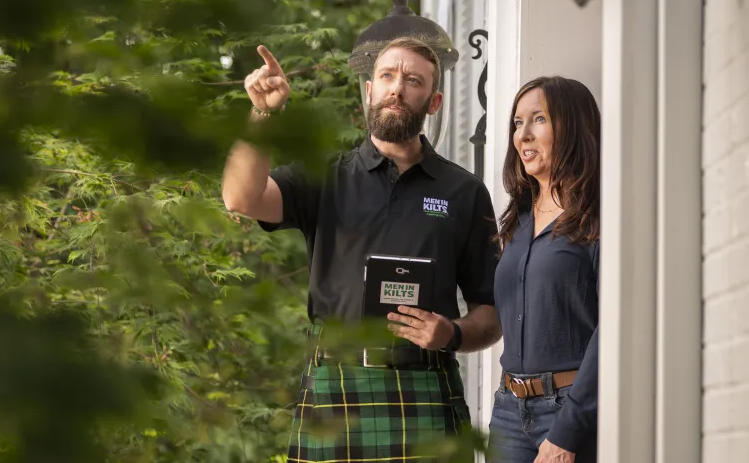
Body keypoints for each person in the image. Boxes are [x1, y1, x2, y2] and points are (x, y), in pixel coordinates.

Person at [221, 37, 502, 462]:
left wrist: (454, 333)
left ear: (434, 101)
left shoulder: (464, 192)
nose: (397, 88)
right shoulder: (324, 176)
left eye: (413, 80)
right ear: (368, 91)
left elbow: (492, 312)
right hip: (335, 388)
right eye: (386, 76)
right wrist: (262, 113)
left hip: (426, 385)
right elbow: (240, 198)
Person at [487, 76, 601, 463]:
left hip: (571, 411)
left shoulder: (597, 219)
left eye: (538, 120)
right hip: (508, 411)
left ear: (572, 128)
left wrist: (568, 431)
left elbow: (613, 328)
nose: (523, 136)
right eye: (518, 123)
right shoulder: (516, 223)